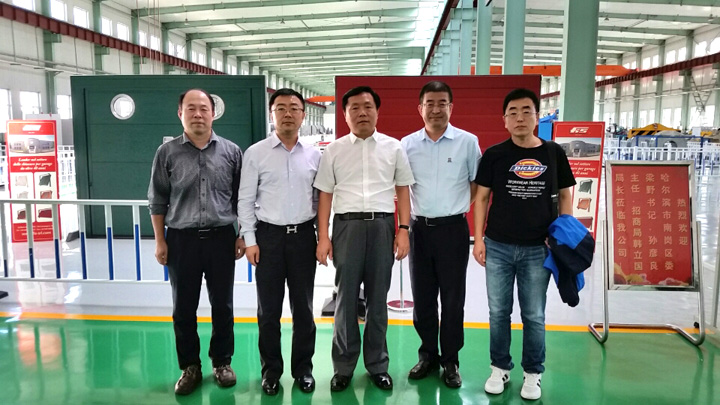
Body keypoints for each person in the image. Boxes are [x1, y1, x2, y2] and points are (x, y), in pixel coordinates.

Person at [472, 88, 575, 401]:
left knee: (534, 315)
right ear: (504, 120)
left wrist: (562, 235)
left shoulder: (553, 153)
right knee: (498, 312)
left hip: (537, 249)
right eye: (513, 112)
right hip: (498, 247)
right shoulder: (494, 155)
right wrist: (478, 239)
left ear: (537, 116)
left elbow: (566, 194)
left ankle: (533, 373)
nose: (519, 118)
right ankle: (499, 368)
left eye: (526, 111)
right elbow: (482, 198)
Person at [314, 86, 415, 392]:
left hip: (383, 226)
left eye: (368, 106)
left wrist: (403, 229)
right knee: (346, 300)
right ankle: (343, 367)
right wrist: (323, 236)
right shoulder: (334, 151)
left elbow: (403, 190)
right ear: (344, 115)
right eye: (354, 108)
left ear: (377, 111)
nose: (362, 113)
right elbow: (325, 195)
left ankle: (377, 365)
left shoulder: (394, 148)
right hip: (347, 228)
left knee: (378, 300)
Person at [148, 88, 245, 395]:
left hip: (221, 239)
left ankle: (222, 362)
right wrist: (160, 241)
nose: (198, 114)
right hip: (181, 240)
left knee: (223, 306)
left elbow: (242, 199)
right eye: (191, 108)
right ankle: (190, 366)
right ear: (180, 114)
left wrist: (242, 234)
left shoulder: (232, 152)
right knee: (183, 308)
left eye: (204, 108)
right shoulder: (166, 153)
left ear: (213, 113)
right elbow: (157, 199)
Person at [237, 88, 321, 396]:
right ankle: (271, 371)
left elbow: (320, 199)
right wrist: (250, 240)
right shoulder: (256, 153)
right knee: (269, 312)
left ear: (303, 115)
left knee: (304, 310)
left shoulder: (314, 155)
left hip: (303, 238)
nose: (288, 113)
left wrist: (322, 236)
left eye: (294, 108)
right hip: (268, 239)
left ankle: (303, 370)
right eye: (281, 108)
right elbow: (245, 199)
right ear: (272, 114)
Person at [401, 81, 481, 388]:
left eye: (442, 103)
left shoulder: (467, 142)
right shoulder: (407, 145)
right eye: (430, 103)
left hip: (453, 231)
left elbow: (477, 184)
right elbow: (402, 188)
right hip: (420, 230)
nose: (436, 109)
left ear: (451, 107)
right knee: (422, 299)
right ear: (420, 108)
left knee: (452, 298)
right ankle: (427, 356)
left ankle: (450, 360)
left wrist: (455, 207)